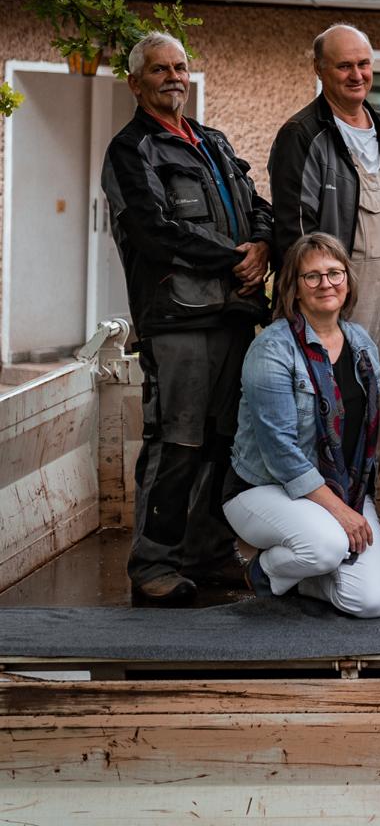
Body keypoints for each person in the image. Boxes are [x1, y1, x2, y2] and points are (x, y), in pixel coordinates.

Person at [101, 31, 274, 605]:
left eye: (179, 66)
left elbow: (259, 209)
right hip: (178, 321)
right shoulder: (131, 151)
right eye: (158, 69)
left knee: (225, 441)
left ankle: (210, 552)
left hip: (234, 317)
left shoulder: (213, 142)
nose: (172, 76)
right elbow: (154, 232)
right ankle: (154, 565)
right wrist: (235, 258)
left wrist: (264, 247)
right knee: (177, 443)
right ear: (135, 82)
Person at [224, 233, 380, 618]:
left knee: (371, 602)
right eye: (312, 276)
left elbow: (366, 434)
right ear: (294, 288)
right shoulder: (272, 348)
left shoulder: (362, 344)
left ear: (347, 281)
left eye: (335, 273)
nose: (326, 284)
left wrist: (350, 504)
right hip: (266, 489)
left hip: (340, 487)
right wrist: (344, 514)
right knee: (327, 545)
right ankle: (265, 571)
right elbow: (281, 453)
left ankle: (302, 575)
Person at [268, 23, 380, 420]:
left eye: (364, 64)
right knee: (335, 403)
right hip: (340, 293)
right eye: (344, 66)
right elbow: (295, 230)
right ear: (320, 70)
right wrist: (319, 301)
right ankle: (330, 483)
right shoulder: (302, 135)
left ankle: (372, 483)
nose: (357, 75)